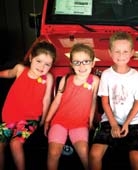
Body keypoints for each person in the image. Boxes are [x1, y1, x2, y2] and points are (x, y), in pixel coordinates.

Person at [89, 31, 138, 170]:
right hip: (109, 120)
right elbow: (104, 102)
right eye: (117, 51)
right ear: (110, 52)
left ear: (132, 52)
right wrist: (114, 124)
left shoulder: (135, 75)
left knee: (136, 158)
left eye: (125, 51)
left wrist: (126, 123)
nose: (121, 56)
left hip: (133, 122)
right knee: (94, 154)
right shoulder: (107, 75)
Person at [0, 41, 56, 170]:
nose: (42, 67)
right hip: (9, 117)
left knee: (15, 143)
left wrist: (43, 119)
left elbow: (46, 99)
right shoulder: (20, 70)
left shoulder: (48, 78)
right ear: (31, 58)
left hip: (29, 120)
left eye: (47, 64)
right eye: (39, 61)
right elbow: (8, 73)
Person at [44, 43, 99, 170]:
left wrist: (90, 122)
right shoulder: (66, 78)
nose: (82, 66)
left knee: (84, 152)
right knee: (53, 152)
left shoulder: (94, 80)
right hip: (59, 121)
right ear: (71, 64)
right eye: (77, 62)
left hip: (80, 123)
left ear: (92, 63)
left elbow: (93, 102)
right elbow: (57, 100)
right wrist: (47, 120)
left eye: (86, 61)